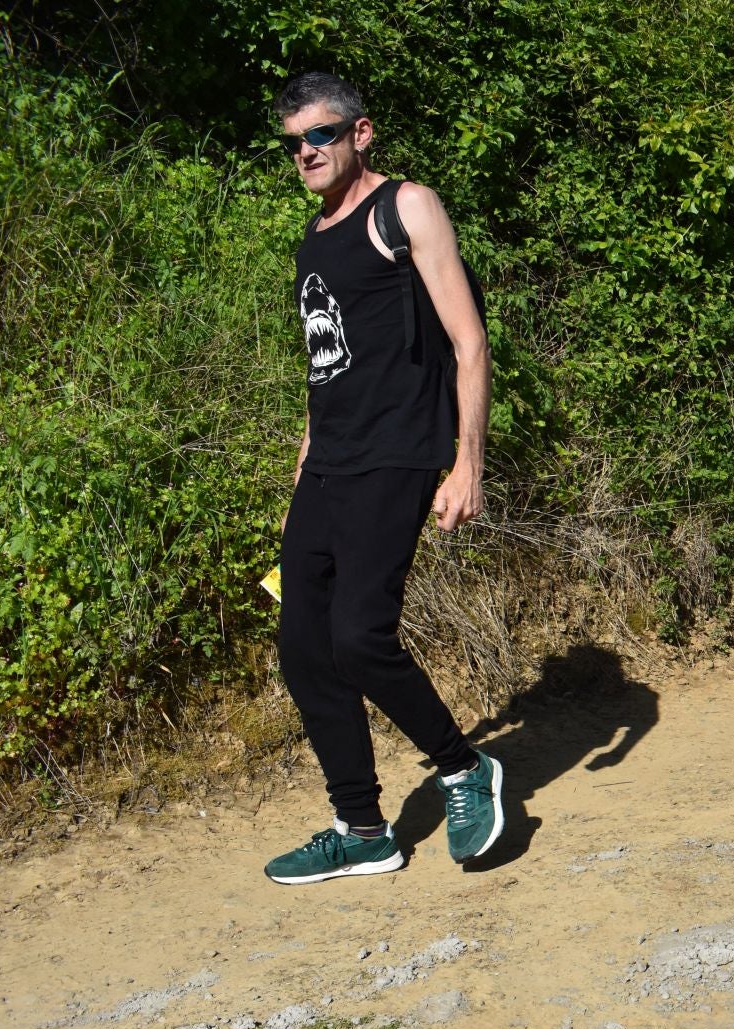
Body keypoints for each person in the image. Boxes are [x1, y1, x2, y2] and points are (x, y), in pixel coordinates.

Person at [263, 72, 504, 884]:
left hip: (398, 452)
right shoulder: (313, 238)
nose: (306, 152)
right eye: (294, 142)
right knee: (304, 647)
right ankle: (362, 827)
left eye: (319, 134)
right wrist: (302, 471)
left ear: (360, 133)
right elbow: (323, 370)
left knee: (359, 637)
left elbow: (469, 343)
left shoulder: (407, 207)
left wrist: (467, 461)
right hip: (328, 466)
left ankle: (464, 767)